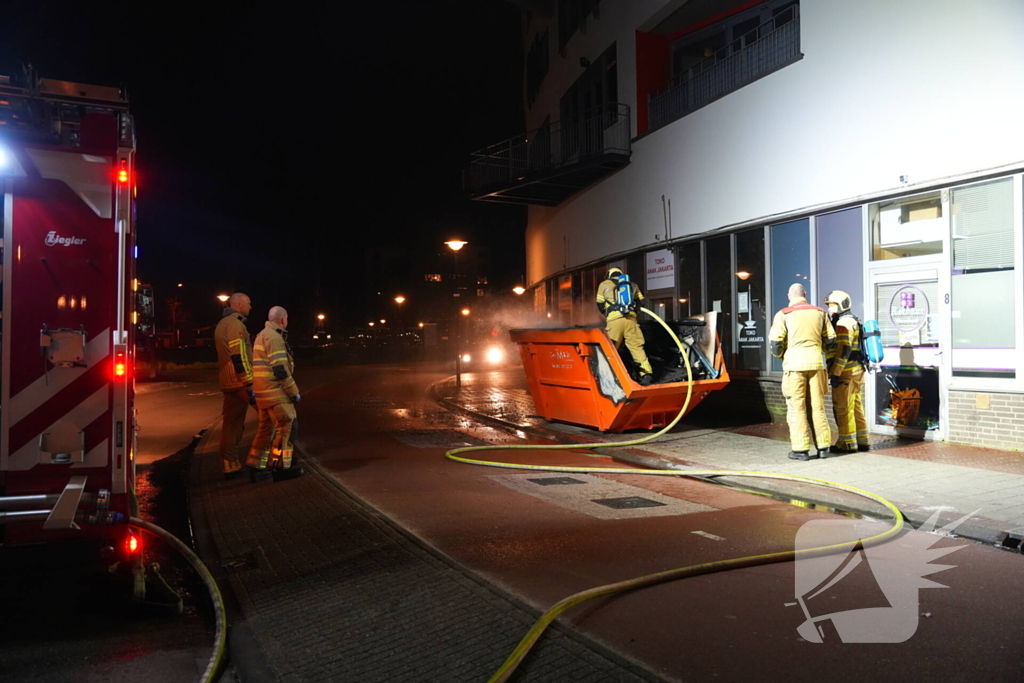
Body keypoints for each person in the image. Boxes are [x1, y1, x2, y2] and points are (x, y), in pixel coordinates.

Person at [769, 283, 836, 460]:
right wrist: (820, 351)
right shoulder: (820, 312)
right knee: (818, 407)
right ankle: (823, 448)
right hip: (816, 364)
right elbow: (831, 339)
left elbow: (775, 343)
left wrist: (783, 355)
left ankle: (800, 450)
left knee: (796, 407)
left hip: (794, 365)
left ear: (789, 296)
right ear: (805, 294)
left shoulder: (783, 314)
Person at [246, 306, 304, 482]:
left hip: (263, 393)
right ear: (282, 320)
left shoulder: (261, 335)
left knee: (265, 430)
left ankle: (256, 467)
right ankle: (280, 467)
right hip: (276, 394)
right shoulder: (274, 337)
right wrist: (294, 392)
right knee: (286, 427)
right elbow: (280, 370)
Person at [824, 290, 870, 454]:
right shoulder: (854, 320)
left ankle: (848, 443)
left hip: (846, 373)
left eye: (831, 306)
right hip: (857, 371)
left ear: (840, 305)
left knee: (843, 409)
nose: (829, 310)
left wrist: (835, 373)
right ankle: (862, 440)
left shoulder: (843, 324)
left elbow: (844, 350)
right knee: (856, 406)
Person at [214, 292, 254, 477]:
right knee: (272, 415)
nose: (250, 307)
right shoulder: (236, 324)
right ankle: (265, 460)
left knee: (231, 424)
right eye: (248, 303)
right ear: (238, 305)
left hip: (228, 380)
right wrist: (249, 381)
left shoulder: (222, 324)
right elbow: (239, 355)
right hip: (240, 381)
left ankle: (230, 464)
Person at [596, 267, 654, 385]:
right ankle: (647, 374)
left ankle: (608, 376)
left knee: (611, 349)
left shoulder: (604, 284)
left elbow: (600, 304)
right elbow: (640, 302)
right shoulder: (632, 284)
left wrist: (608, 314)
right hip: (631, 321)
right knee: (637, 347)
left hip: (614, 321)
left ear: (609, 275)